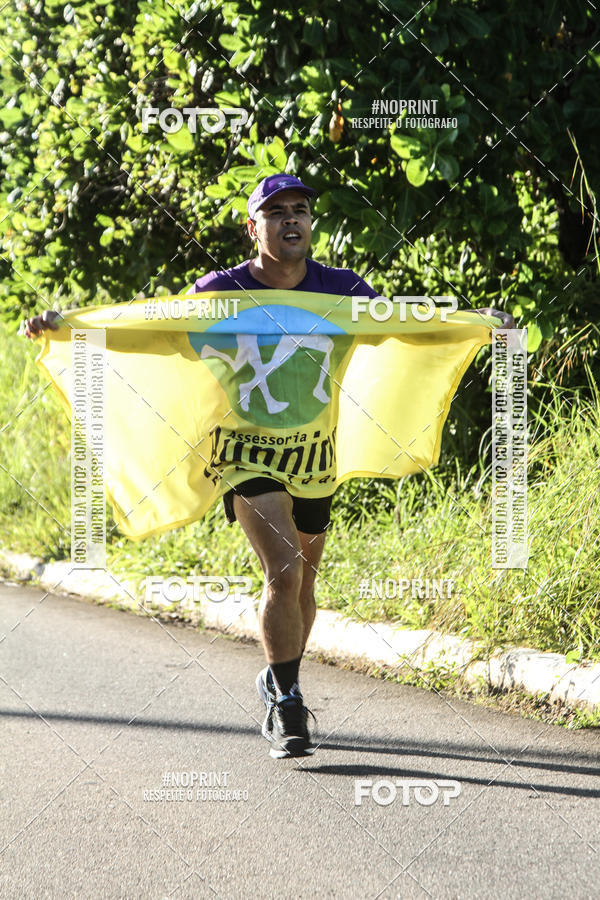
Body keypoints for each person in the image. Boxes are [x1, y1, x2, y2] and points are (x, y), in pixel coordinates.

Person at [24, 172, 514, 759]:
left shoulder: (342, 289)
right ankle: (287, 704)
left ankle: (277, 677)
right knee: (282, 572)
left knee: (304, 582)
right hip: (245, 455)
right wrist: (70, 325)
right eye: (276, 211)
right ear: (252, 226)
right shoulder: (221, 291)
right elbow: (150, 327)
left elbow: (407, 324)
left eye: (300, 210)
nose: (291, 220)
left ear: (310, 224)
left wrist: (477, 321)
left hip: (313, 458)